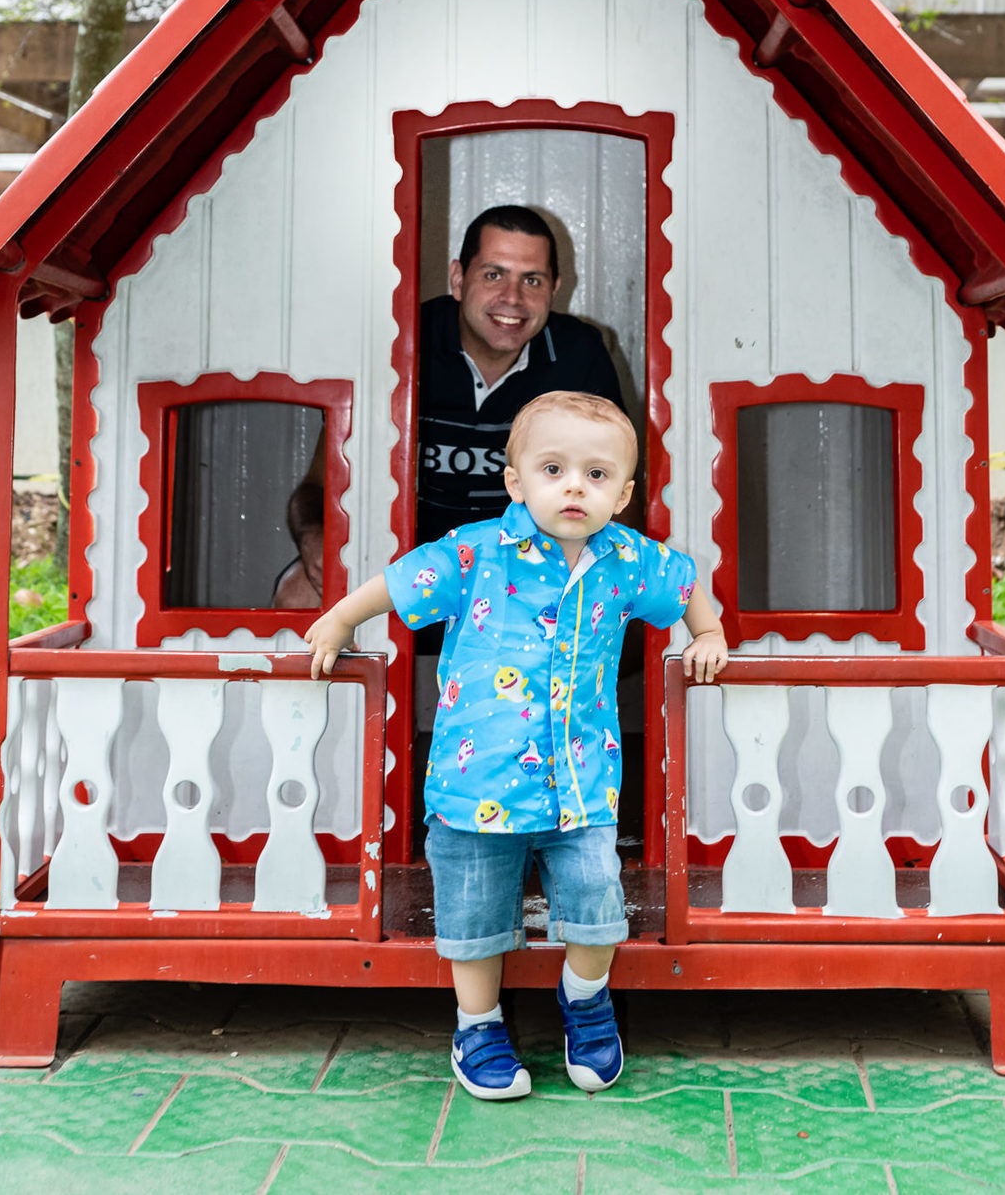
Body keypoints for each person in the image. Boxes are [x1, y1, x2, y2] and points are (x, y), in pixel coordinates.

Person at [304, 390, 728, 1100]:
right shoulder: (476, 551)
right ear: (517, 481)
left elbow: (682, 586)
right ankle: (478, 1026)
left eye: (597, 476)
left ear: (622, 495)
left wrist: (708, 635)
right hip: (477, 789)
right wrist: (341, 620)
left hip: (581, 783)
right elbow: (403, 582)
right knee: (475, 918)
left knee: (598, 904)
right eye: (554, 468)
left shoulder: (629, 559)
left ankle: (586, 1003)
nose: (573, 487)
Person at [273, 205, 624, 606]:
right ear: (458, 279)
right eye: (493, 275)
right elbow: (317, 486)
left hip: (528, 566)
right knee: (299, 595)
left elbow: (615, 492)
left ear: (554, 288)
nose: (513, 298)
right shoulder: (400, 341)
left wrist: (591, 574)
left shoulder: (580, 355)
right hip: (401, 558)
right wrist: (314, 536)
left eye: (532, 280)